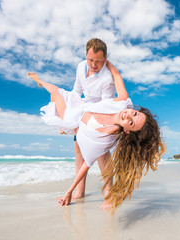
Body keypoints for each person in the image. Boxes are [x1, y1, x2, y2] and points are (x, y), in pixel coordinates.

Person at [28, 61, 166, 212]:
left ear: (127, 130)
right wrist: (103, 60)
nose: (127, 115)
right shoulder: (123, 104)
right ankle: (40, 81)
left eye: (131, 123)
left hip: (72, 120)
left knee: (57, 95)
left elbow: (86, 164)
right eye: (134, 113)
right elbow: (117, 75)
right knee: (57, 91)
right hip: (80, 107)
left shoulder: (103, 138)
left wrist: (68, 192)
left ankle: (63, 127)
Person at [71, 38, 115, 200]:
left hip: (101, 113)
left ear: (105, 58)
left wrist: (92, 123)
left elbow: (106, 106)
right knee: (78, 149)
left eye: (98, 61)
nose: (94, 64)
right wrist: (74, 120)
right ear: (86, 55)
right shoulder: (81, 66)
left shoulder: (107, 79)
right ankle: (80, 191)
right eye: (91, 60)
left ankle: (109, 189)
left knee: (102, 152)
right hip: (84, 111)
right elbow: (76, 92)